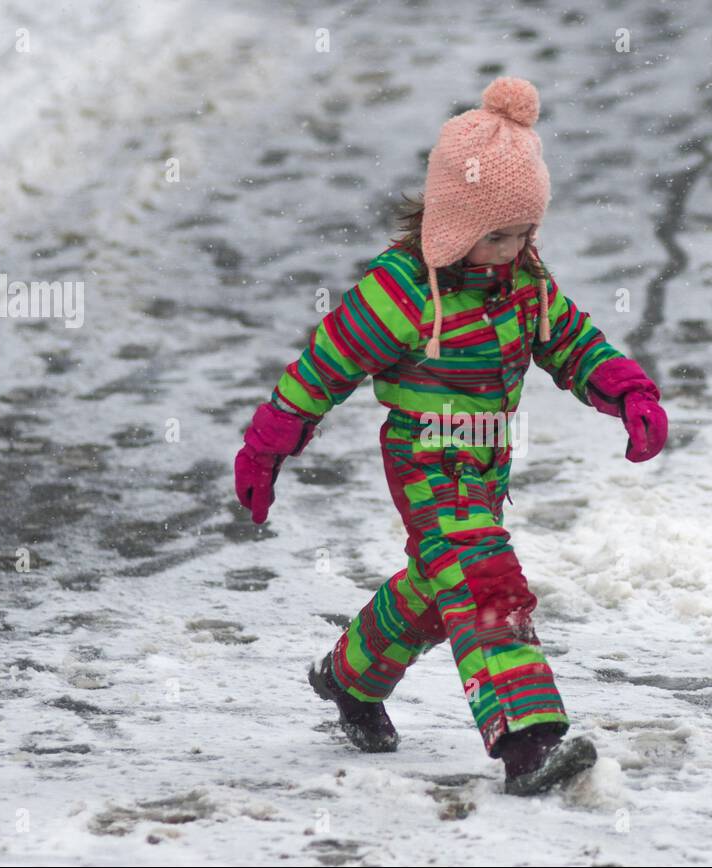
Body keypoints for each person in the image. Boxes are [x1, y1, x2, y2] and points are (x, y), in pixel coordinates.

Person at [234, 76, 668, 796]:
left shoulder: (524, 281)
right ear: (453, 220)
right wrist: (266, 445)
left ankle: (349, 678)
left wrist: (627, 392)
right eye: (497, 234)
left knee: (442, 589)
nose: (514, 247)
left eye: (526, 231)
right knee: (485, 579)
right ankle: (528, 742)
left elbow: (571, 341)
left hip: (487, 461)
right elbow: (322, 368)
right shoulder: (399, 289)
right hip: (425, 459)